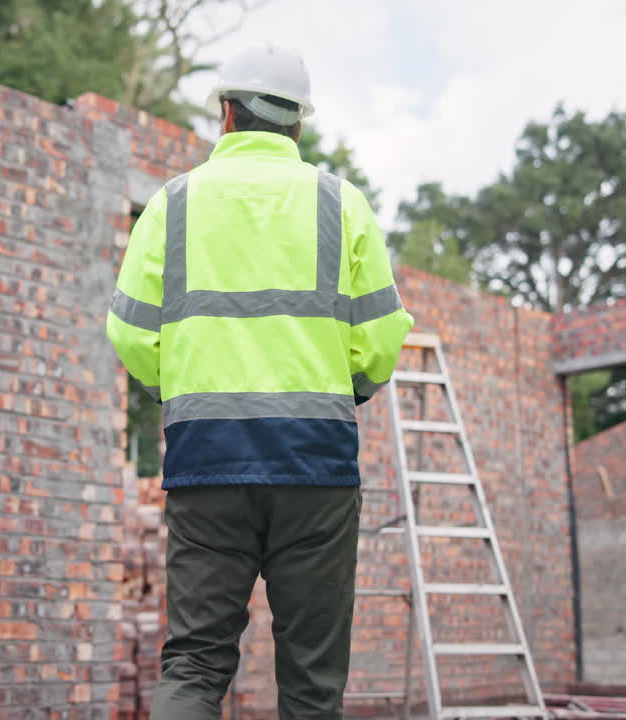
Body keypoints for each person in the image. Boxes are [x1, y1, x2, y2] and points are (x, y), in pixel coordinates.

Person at [106, 41, 413, 719]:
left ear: (226, 114)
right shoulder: (341, 204)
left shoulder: (172, 205)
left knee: (193, 664)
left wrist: (178, 386)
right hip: (316, 467)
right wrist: (350, 383)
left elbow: (129, 331)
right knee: (311, 681)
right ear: (298, 124)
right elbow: (383, 340)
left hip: (205, 462)